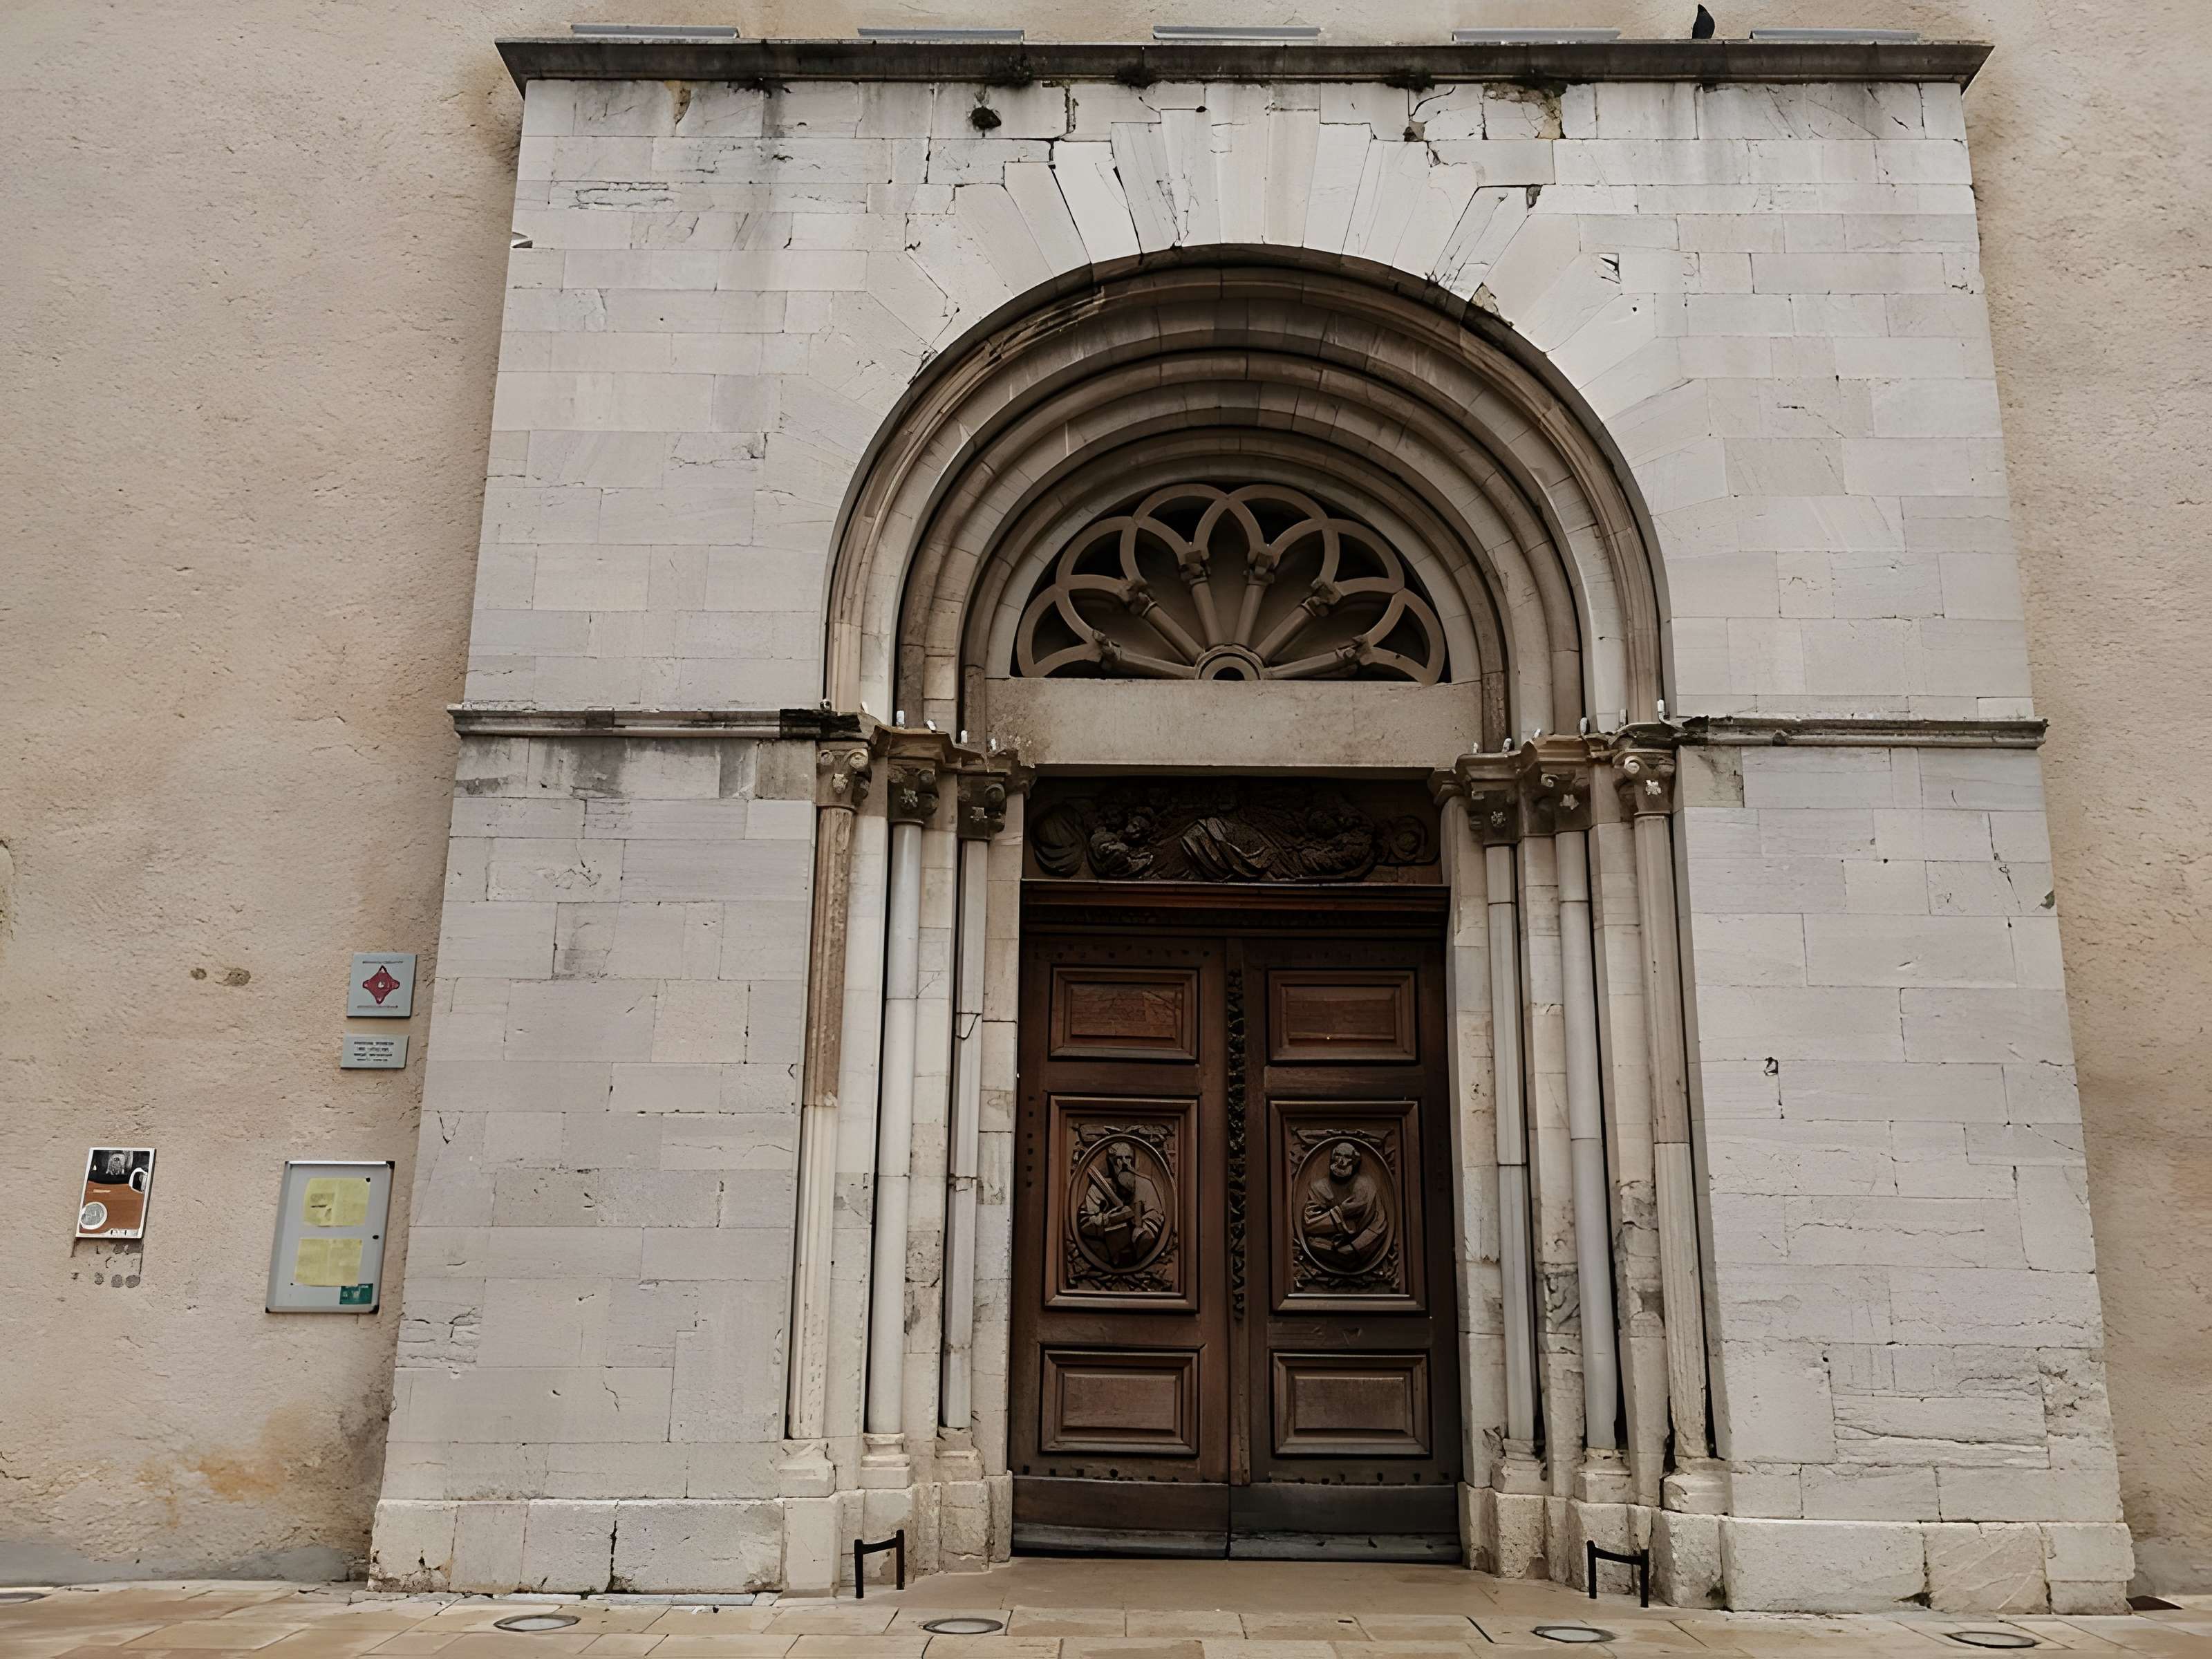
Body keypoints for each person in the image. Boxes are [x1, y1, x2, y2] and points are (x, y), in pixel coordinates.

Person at [1300, 1140, 1390, 1269]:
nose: (1341, 1162)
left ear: (1354, 1162)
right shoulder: (1319, 1187)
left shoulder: (1366, 1186)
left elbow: (1380, 1223)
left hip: (1360, 1247)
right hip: (1326, 1242)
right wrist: (1341, 1211)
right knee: (1313, 1243)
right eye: (1338, 1155)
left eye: (1347, 1157)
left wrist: (1355, 1248)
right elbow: (1308, 1224)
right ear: (1332, 1158)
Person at [1077, 1138, 1165, 1267]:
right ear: (1110, 1163)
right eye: (1119, 1158)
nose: (1124, 1163)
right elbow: (1085, 1222)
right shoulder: (1098, 1189)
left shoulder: (1146, 1185)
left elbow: (1155, 1216)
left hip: (1141, 1255)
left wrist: (1141, 1234)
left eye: (1128, 1158)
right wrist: (1110, 1218)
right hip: (1107, 1256)